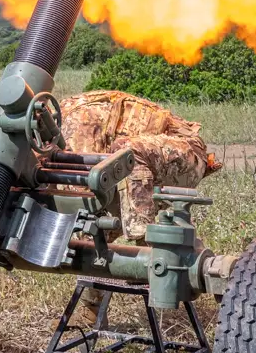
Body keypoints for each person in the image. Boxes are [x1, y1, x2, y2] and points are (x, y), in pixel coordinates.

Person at [59, 89, 223, 240]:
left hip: (186, 153)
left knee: (126, 151)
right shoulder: (61, 121)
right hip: (145, 167)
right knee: (89, 235)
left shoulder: (76, 120)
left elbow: (83, 185)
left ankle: (143, 231)